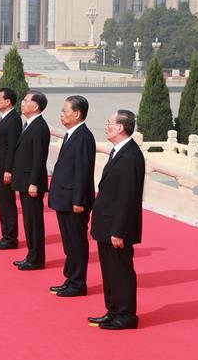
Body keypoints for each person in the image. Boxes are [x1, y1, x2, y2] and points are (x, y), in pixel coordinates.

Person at [89, 110, 145, 330]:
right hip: (106, 223)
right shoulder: (118, 151)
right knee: (110, 271)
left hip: (117, 227)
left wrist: (119, 230)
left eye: (109, 123)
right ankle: (112, 310)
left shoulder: (130, 155)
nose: (106, 127)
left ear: (120, 127)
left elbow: (128, 197)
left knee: (121, 271)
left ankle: (126, 315)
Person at [48, 96, 96, 297]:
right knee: (69, 243)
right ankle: (70, 279)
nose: (61, 114)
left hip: (74, 201)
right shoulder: (72, 134)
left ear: (77, 114)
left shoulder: (83, 136)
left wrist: (78, 200)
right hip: (65, 198)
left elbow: (83, 171)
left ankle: (77, 283)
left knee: (76, 243)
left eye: (65, 111)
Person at [11, 91, 50, 270]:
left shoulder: (40, 127)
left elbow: (39, 158)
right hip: (24, 180)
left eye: (26, 100)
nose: (22, 102)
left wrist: (34, 182)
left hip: (31, 183)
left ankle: (36, 259)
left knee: (34, 222)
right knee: (28, 221)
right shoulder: (29, 124)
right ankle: (31, 255)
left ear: (35, 106)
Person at [0, 88, 22, 249]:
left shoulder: (13, 119)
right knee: (2, 204)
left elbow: (12, 147)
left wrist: (9, 169)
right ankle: (6, 234)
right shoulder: (3, 117)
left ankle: (11, 238)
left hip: (4, 169)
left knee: (7, 204)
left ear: (8, 102)